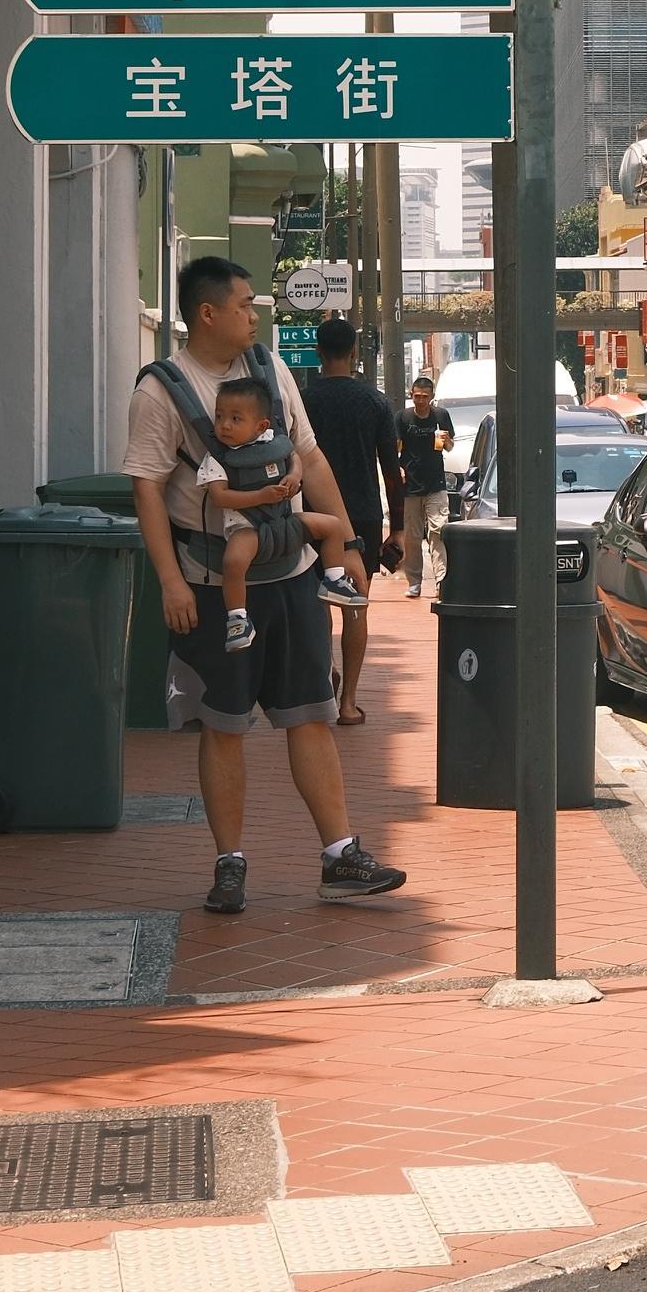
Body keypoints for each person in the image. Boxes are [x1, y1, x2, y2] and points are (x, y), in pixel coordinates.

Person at [124, 256, 405, 917]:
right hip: (218, 585)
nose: (257, 315)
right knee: (224, 726)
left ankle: (341, 856)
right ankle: (229, 865)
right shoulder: (160, 392)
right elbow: (146, 488)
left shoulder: (272, 371)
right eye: (246, 305)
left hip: (295, 575)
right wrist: (171, 581)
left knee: (311, 712)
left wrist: (352, 544)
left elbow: (309, 460)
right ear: (208, 314)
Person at [298, 318, 406, 725]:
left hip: (310, 512)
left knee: (317, 603)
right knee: (355, 607)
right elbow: (392, 474)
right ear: (355, 353)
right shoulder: (375, 403)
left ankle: (327, 681)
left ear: (318, 353)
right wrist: (398, 529)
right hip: (360, 517)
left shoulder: (305, 402)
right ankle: (349, 703)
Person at [201, 377, 359, 650]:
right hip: (246, 527)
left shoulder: (274, 441)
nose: (224, 425)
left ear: (261, 425)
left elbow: (294, 456)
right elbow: (219, 496)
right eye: (219, 416)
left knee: (333, 526)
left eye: (236, 419)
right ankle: (237, 619)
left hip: (285, 520)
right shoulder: (217, 458)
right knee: (233, 561)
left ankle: (334, 579)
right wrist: (259, 497)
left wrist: (295, 476)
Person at [397, 372, 456, 598]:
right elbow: (395, 447)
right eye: (417, 396)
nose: (420, 400)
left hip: (436, 484)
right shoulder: (402, 418)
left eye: (425, 396)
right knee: (412, 536)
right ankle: (414, 581)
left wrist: (447, 439)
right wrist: (398, 468)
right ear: (411, 395)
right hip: (410, 485)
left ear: (432, 397)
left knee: (438, 531)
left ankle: (441, 580)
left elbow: (449, 447)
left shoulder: (441, 415)